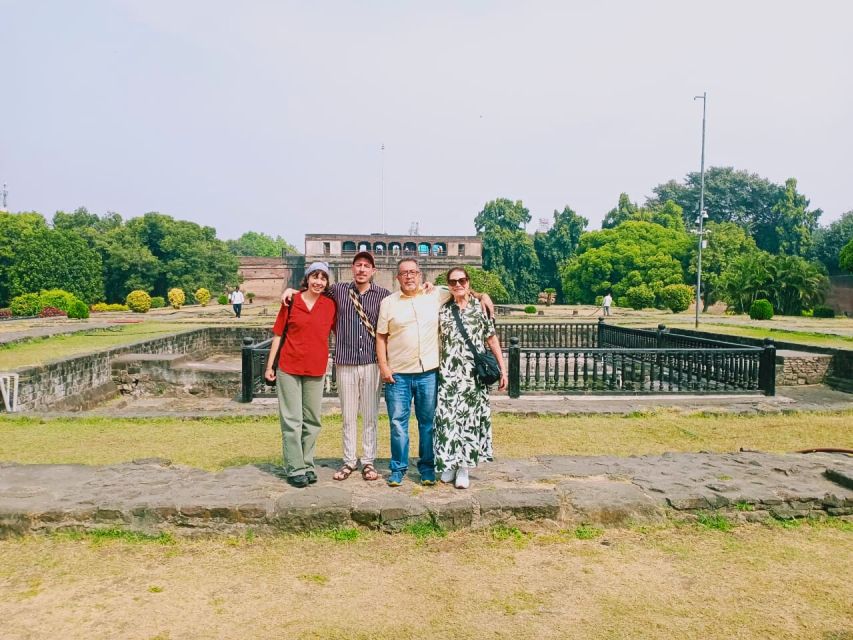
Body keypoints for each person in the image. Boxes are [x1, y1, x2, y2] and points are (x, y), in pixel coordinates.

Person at [376, 258, 493, 487]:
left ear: (420, 275)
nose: (409, 276)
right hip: (398, 373)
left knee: (427, 423)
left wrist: (482, 295)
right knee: (398, 423)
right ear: (397, 278)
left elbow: (459, 288)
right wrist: (383, 365)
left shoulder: (435, 294)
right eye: (404, 273)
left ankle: (427, 468)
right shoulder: (389, 303)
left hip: (427, 372)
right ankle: (398, 468)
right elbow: (381, 336)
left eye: (413, 272)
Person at [281, 251, 390, 482]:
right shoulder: (339, 290)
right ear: (352, 268)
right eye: (358, 265)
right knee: (348, 415)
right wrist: (291, 291)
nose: (361, 269)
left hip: (371, 361)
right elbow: (313, 289)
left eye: (366, 266)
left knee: (370, 415)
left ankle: (368, 461)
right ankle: (349, 460)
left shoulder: (383, 296)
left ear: (373, 271)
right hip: (345, 361)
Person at [264, 262, 336, 488]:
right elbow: (278, 334)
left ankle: (307, 464)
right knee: (292, 419)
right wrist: (269, 366)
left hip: (315, 367)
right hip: (289, 366)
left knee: (312, 420)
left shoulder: (329, 305)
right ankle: (295, 468)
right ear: (307, 279)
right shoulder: (291, 301)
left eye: (323, 278)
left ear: (327, 283)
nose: (319, 282)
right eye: (315, 277)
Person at [434, 267, 507, 489]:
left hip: (473, 376)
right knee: (447, 420)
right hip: (448, 374)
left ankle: (464, 466)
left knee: (469, 421)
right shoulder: (443, 309)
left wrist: (503, 369)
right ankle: (450, 463)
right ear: (448, 284)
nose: (458, 284)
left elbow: (492, 339)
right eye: (453, 281)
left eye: (462, 280)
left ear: (468, 282)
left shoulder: (480, 308)